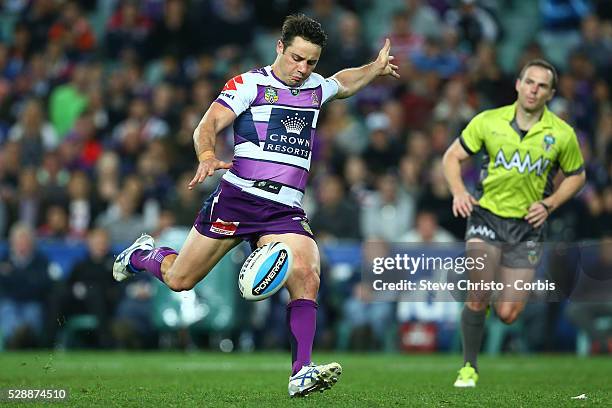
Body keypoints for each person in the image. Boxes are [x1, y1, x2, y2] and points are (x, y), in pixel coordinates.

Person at [113, 14, 399, 397]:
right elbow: (208, 123)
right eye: (297, 58)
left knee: (307, 273)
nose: (303, 69)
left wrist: (374, 68)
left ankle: (301, 371)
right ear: (279, 47)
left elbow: (341, 84)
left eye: (311, 62)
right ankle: (143, 255)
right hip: (238, 198)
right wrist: (207, 154)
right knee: (181, 280)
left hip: (284, 210)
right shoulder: (250, 84)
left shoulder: (315, 87)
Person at [442, 59, 586, 387]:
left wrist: (550, 204)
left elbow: (578, 176)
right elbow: (452, 156)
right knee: (478, 291)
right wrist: (459, 191)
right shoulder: (488, 121)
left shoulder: (562, 134)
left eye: (542, 85)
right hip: (487, 215)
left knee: (508, 313)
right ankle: (469, 367)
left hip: (527, 226)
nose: (534, 89)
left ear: (550, 93)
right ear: (518, 84)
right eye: (529, 82)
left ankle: (489, 303)